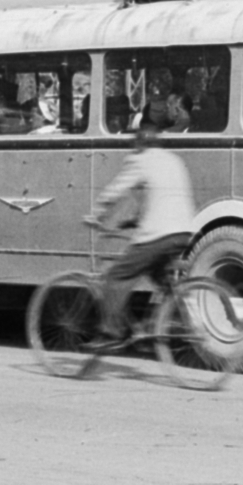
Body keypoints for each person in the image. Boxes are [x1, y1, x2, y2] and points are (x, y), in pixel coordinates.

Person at [82, 120, 196, 341]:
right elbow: (165, 200)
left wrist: (96, 215)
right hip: (183, 232)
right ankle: (168, 323)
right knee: (158, 275)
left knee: (116, 276)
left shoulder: (141, 160)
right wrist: (131, 222)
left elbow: (115, 191)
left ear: (139, 142)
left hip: (157, 236)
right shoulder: (174, 160)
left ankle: (110, 332)